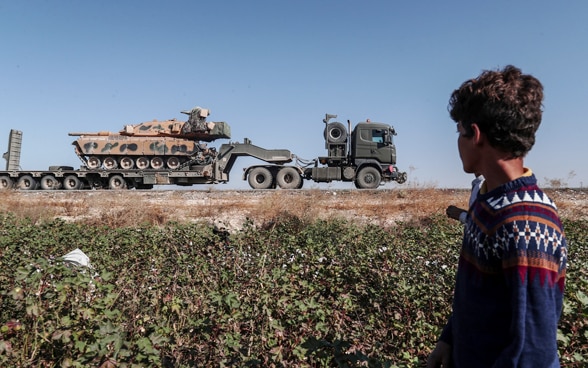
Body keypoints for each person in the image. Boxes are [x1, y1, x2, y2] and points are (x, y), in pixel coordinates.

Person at [427, 65, 567, 368]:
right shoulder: (490, 203)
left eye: (458, 131)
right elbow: (477, 299)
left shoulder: (525, 224)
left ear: (474, 134)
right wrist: (448, 339)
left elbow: (533, 354)